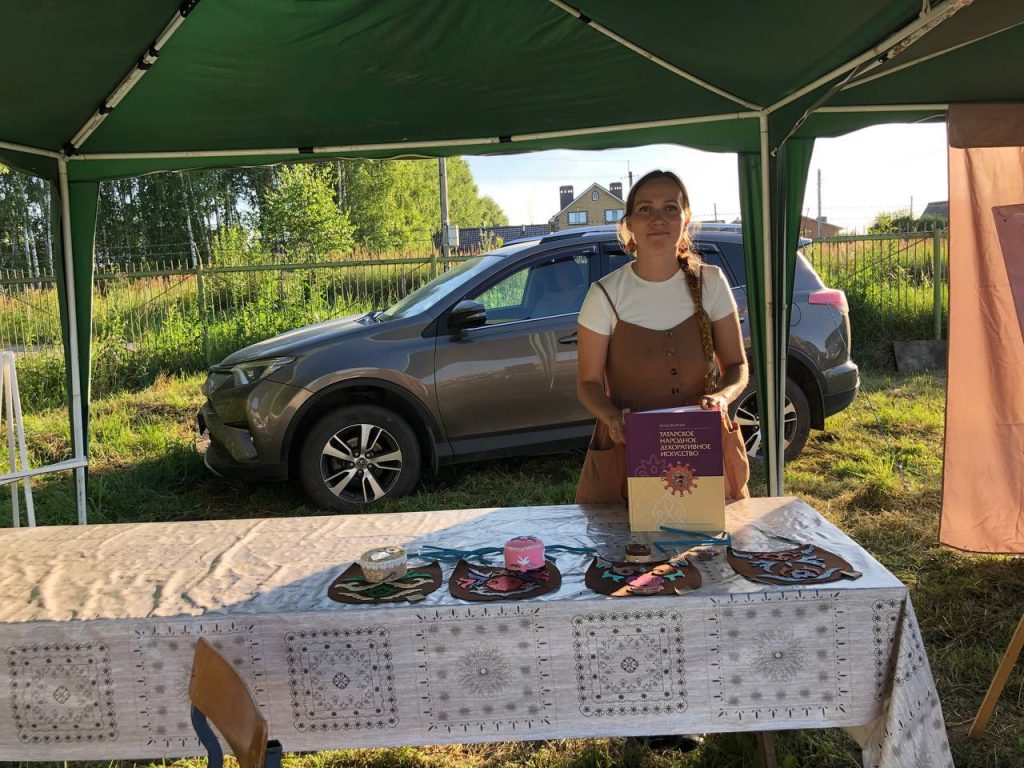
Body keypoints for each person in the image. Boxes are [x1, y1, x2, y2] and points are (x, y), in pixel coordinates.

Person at [575, 169, 749, 504]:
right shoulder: (605, 294)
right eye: (646, 209)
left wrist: (722, 397)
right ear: (629, 223)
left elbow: (736, 365)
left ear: (686, 219)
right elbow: (588, 383)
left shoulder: (711, 282)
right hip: (627, 450)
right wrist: (612, 417)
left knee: (708, 535)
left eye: (670, 208)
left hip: (702, 448)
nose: (658, 219)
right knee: (628, 537)